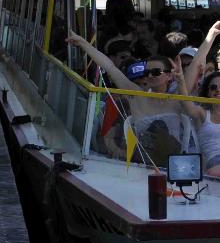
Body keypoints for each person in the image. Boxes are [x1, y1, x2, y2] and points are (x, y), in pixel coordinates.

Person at [67, 30, 185, 167]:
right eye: (147, 73)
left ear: (170, 76)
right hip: (140, 164)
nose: (150, 76)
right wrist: (83, 43)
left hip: (174, 166)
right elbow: (110, 67)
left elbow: (195, 67)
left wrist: (211, 35)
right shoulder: (137, 94)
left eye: (156, 72)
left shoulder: (177, 98)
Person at [175, 66, 220, 169]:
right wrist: (180, 79)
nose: (218, 90)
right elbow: (185, 104)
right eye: (213, 87)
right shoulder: (202, 113)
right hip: (217, 161)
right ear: (208, 93)